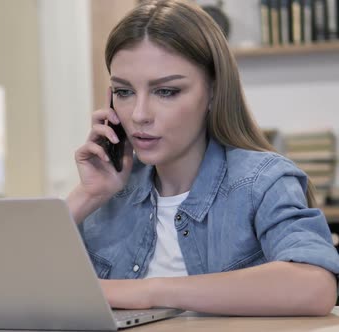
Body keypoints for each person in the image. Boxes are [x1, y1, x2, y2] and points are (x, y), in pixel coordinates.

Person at [67, 0, 339, 316]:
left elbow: (314, 287)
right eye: (124, 92)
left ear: (213, 91)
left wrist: (150, 291)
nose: (139, 115)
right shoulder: (111, 191)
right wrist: (87, 195)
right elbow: (12, 287)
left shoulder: (261, 181)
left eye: (166, 91)